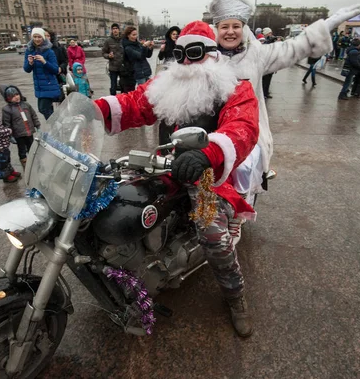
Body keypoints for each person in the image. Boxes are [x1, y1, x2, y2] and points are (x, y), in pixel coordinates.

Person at [95, 20, 259, 337]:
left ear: (211, 53)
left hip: (208, 173)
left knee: (212, 232)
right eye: (180, 53)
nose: (186, 61)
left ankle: (234, 294)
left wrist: (208, 153)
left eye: (194, 53)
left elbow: (243, 128)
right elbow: (134, 103)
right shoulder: (166, 83)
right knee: (107, 194)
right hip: (164, 163)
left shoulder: (235, 87)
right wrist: (92, 110)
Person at [207, 0, 359, 232]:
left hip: (247, 130)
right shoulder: (205, 55)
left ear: (244, 28)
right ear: (215, 29)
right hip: (211, 127)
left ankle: (237, 215)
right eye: (224, 26)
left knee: (243, 170)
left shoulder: (256, 54)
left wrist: (328, 24)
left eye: (236, 26)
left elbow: (293, 48)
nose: (230, 32)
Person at [23, 27, 60, 120]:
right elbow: (26, 69)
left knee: (43, 108)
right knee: (45, 109)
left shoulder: (49, 51)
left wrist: (44, 62)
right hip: (39, 86)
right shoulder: (29, 50)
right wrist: (30, 63)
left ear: (43, 37)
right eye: (34, 37)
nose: (37, 39)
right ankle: (56, 127)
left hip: (49, 85)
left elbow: (55, 70)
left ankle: (56, 125)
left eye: (39, 37)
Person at [0, 84, 40, 169]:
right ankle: (25, 163)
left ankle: (34, 162)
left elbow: (33, 115)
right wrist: (10, 136)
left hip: (29, 132)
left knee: (31, 147)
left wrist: (38, 125)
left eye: (17, 94)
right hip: (19, 134)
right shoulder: (7, 109)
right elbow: (6, 123)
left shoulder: (26, 105)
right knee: (21, 150)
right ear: (8, 98)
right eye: (13, 96)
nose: (16, 97)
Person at [156, 25, 181, 149]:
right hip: (167, 73)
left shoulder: (181, 45)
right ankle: (165, 146)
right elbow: (160, 58)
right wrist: (161, 50)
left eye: (177, 33)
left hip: (180, 74)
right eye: (173, 34)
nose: (175, 35)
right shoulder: (167, 45)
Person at [44, 28, 69, 97]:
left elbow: (65, 61)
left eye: (48, 36)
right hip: (45, 80)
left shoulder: (59, 48)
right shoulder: (37, 50)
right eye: (44, 36)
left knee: (61, 99)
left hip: (58, 78)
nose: (46, 38)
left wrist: (61, 68)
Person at [102, 23, 124, 95]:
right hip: (113, 67)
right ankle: (113, 101)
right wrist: (108, 55)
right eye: (113, 29)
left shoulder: (123, 39)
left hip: (123, 67)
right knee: (113, 86)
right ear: (111, 30)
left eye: (116, 28)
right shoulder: (108, 41)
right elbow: (103, 53)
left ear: (119, 30)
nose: (115, 30)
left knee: (123, 85)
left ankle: (123, 101)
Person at [261, 27, 276, 99]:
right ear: (266, 34)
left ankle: (266, 93)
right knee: (264, 81)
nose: (271, 34)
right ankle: (263, 93)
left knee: (268, 80)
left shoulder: (272, 41)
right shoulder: (263, 41)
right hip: (265, 65)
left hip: (271, 64)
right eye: (270, 33)